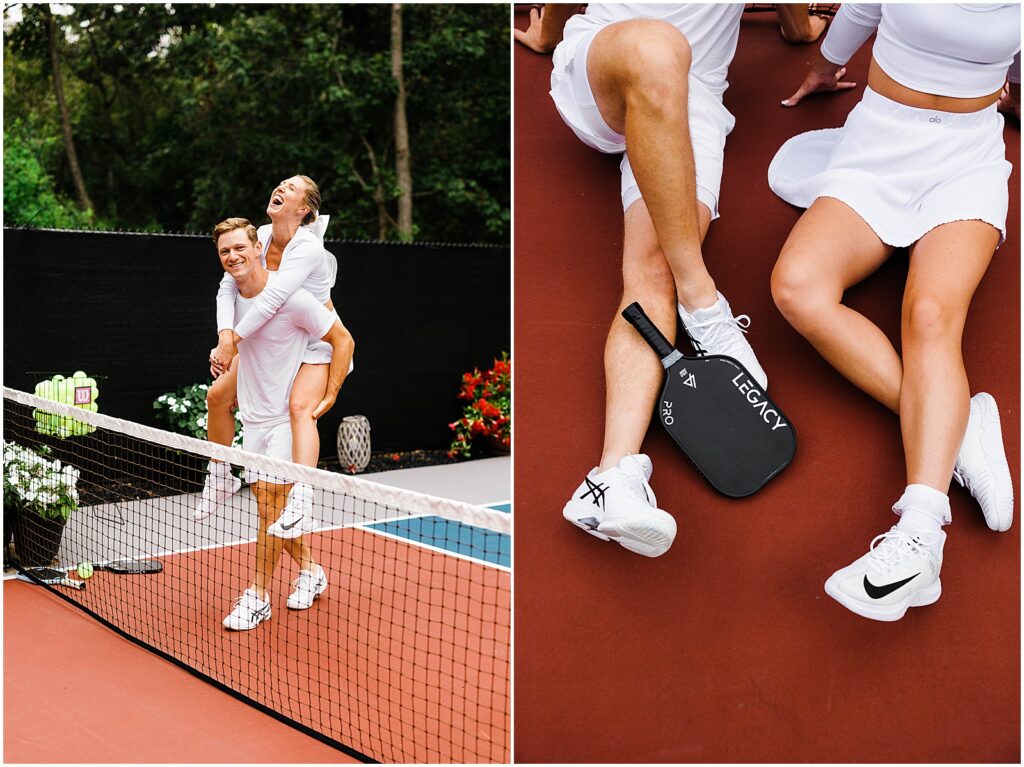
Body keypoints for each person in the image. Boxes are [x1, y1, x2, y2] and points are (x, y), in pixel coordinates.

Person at [768, 4, 1019, 620]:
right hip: (878, 142)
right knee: (797, 287)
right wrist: (824, 69)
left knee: (931, 317)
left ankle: (920, 536)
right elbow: (859, 10)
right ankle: (959, 426)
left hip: (967, 156)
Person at [516, 4, 766, 557]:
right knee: (658, 45)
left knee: (653, 271)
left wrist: (803, 30)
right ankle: (705, 303)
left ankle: (611, 481)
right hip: (607, 62)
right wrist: (548, 34)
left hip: (693, 93)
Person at [211, 218, 355, 631]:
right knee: (270, 510)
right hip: (255, 420)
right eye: (225, 251)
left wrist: (331, 390)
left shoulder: (291, 298)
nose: (234, 256)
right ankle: (310, 570)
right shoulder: (232, 299)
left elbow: (343, 340)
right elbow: (239, 348)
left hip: (285, 421)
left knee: (271, 505)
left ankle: (257, 595)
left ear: (259, 247)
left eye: (240, 247)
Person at [196, 175, 340, 537]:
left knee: (298, 409)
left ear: (303, 208)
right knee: (217, 397)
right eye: (280, 184)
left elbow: (274, 299)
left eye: (290, 188)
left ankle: (303, 499)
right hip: (271, 331)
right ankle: (220, 475)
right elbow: (228, 285)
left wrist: (233, 341)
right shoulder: (259, 234)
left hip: (314, 338)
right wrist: (225, 336)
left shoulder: (307, 248)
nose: (280, 188)